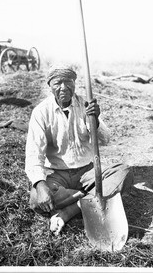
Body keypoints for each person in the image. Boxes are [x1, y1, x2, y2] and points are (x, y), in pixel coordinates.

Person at [25, 64, 133, 236]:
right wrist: (39, 184)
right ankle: (89, 197)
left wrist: (95, 120)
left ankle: (71, 209)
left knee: (124, 172)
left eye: (68, 81)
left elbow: (105, 139)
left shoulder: (86, 105)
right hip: (57, 174)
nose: (63, 87)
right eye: (58, 83)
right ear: (50, 86)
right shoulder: (41, 112)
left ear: (74, 83)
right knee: (36, 200)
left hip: (88, 171)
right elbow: (33, 154)